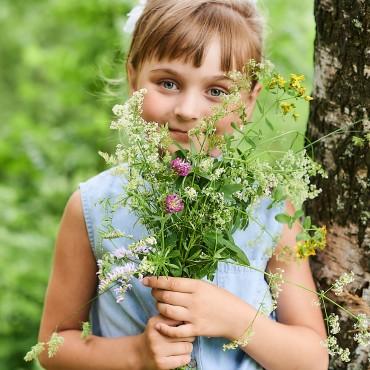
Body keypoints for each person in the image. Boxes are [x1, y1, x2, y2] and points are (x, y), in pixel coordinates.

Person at [38, 1, 329, 369]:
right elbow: (53, 345)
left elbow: (313, 359)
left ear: (250, 100)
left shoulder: (267, 208)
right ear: (133, 79)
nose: (188, 110)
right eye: (168, 83)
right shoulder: (93, 206)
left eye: (217, 92)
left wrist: (236, 319)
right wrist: (135, 355)